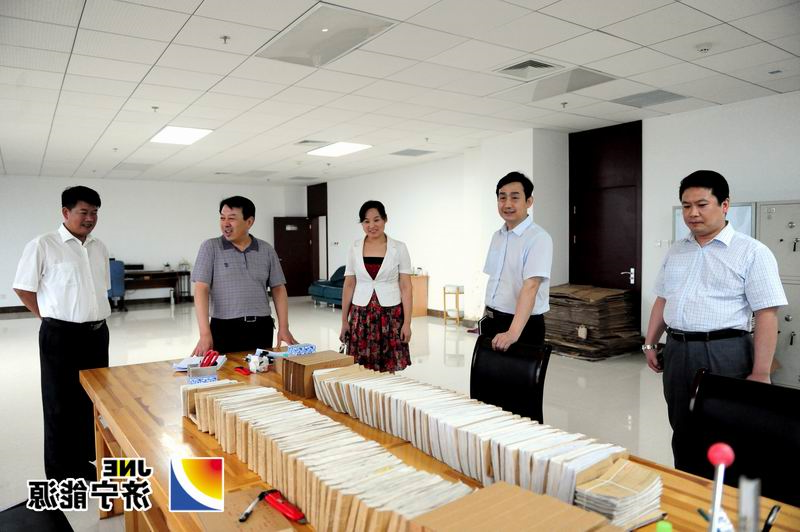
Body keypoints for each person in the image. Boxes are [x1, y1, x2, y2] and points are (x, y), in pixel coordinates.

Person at [643, 170, 787, 471]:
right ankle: (687, 484)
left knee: (725, 431)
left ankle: (723, 491)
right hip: (678, 350)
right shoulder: (677, 249)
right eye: (686, 206)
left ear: (724, 205)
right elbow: (663, 299)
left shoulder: (752, 252)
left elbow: (766, 314)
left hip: (724, 351)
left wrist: (761, 372)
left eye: (701, 204)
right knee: (682, 427)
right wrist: (650, 343)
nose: (692, 213)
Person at [13, 186, 111, 482]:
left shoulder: (98, 247)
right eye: (84, 212)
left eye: (94, 212)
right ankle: (61, 474)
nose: (90, 218)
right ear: (66, 212)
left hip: (97, 334)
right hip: (61, 336)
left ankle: (86, 462)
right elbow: (23, 288)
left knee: (91, 401)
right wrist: (47, 317)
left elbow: (100, 289)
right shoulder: (43, 244)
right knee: (60, 404)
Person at [191, 196, 296, 355]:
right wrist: (205, 334)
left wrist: (284, 327)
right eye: (222, 218)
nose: (226, 223)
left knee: (262, 369)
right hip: (224, 328)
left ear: (249, 222)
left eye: (232, 218)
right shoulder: (210, 247)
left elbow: (278, 289)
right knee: (227, 370)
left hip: (261, 326)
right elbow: (201, 289)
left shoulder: (266, 249)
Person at [482, 171, 553, 350]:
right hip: (492, 321)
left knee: (516, 370)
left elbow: (531, 286)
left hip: (521, 326)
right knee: (486, 369)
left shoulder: (538, 238)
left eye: (515, 198)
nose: (507, 204)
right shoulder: (497, 236)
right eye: (502, 198)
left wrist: (512, 333)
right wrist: (485, 315)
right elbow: (495, 280)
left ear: (529, 201)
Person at [339, 201, 413, 372]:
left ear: (385, 219)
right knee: (360, 368)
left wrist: (407, 323)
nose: (371, 225)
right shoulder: (354, 247)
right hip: (360, 315)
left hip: (390, 315)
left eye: (376, 220)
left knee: (388, 366)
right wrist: (344, 321)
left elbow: (406, 287)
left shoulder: (399, 248)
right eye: (366, 221)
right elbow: (349, 285)